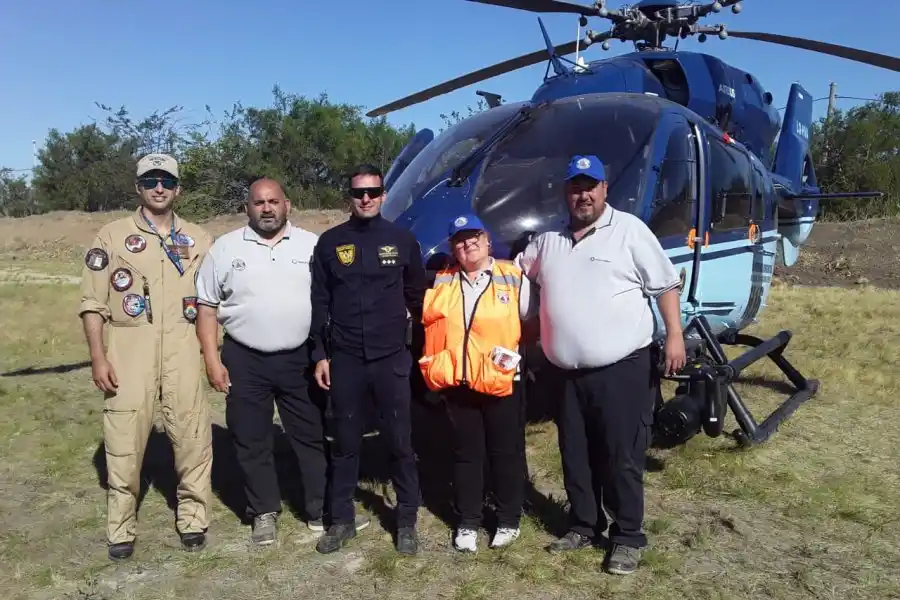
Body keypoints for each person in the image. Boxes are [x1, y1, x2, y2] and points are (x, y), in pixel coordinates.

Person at [514, 155, 686, 575]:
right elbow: (513, 275)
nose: (583, 194)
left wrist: (675, 335)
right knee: (575, 453)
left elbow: (665, 285)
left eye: (591, 186)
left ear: (605, 189)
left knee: (620, 454)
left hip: (621, 367)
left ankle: (627, 536)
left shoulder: (629, 231)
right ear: (566, 193)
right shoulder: (547, 241)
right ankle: (585, 524)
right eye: (575, 186)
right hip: (566, 373)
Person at [193, 178, 353, 546]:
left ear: (288, 204)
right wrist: (211, 360)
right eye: (258, 202)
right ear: (247, 208)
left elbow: (334, 299)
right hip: (244, 358)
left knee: (311, 436)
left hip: (301, 358)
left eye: (274, 201)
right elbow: (206, 307)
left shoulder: (313, 245)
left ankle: (320, 509)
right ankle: (263, 512)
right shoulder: (224, 248)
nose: (267, 208)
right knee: (251, 439)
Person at [78, 153, 214, 561]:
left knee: (192, 434)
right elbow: (92, 302)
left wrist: (212, 354)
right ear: (138, 187)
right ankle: (120, 527)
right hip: (128, 344)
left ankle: (193, 518)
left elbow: (212, 303)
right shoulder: (111, 236)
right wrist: (98, 356)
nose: (160, 188)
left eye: (167, 181)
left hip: (183, 345)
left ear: (178, 189)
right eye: (151, 180)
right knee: (124, 438)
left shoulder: (199, 239)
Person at [310, 164, 426, 556]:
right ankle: (341, 521)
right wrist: (320, 354)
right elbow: (319, 303)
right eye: (359, 193)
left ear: (383, 195)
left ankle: (407, 519)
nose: (366, 199)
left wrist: (417, 351)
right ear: (349, 196)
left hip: (391, 359)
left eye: (373, 192)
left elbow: (417, 298)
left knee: (400, 442)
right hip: (345, 360)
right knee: (344, 444)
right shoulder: (329, 243)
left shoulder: (403, 240)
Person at [418, 213, 537, 552]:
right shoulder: (442, 281)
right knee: (466, 454)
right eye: (458, 239)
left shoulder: (512, 277)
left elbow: (531, 323)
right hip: (460, 383)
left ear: (486, 240)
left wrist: (513, 354)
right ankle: (468, 521)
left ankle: (508, 519)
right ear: (452, 247)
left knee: (506, 452)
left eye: (473, 237)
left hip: (501, 382)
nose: (467, 244)